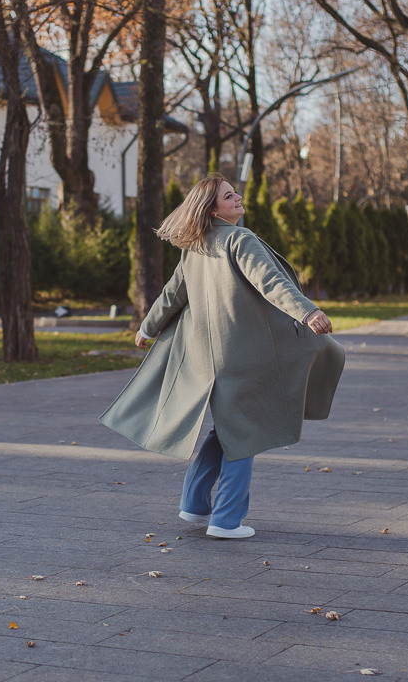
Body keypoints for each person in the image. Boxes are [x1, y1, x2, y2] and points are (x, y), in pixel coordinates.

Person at [99, 174, 345, 539]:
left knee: (229, 427)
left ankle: (195, 503)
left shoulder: (196, 247)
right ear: (213, 208)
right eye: (229, 196)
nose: (238, 197)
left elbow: (171, 295)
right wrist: (306, 312)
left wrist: (147, 328)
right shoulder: (240, 239)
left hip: (207, 356)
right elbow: (271, 283)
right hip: (242, 355)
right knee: (244, 431)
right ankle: (227, 521)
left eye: (235, 193)